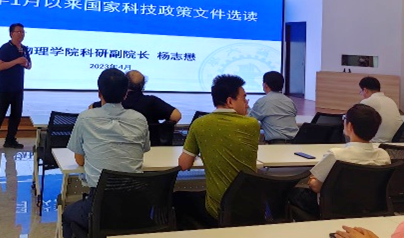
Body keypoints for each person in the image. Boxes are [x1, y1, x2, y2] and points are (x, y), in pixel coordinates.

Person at [62, 68, 150, 238]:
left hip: (100, 207)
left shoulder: (85, 118)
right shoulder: (139, 119)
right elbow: (143, 150)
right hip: (137, 207)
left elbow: (79, 161)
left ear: (99, 93)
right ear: (125, 94)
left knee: (68, 214)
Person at [175, 74, 260, 228]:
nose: (247, 103)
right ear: (230, 101)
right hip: (251, 207)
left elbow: (184, 165)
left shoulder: (199, 124)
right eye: (244, 98)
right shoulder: (252, 124)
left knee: (179, 198)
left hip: (217, 210)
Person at [289, 104, 390, 217]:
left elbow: (316, 187)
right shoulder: (383, 155)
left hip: (330, 209)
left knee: (292, 192)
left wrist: (312, 179)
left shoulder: (336, 155)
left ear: (350, 126)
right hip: (366, 209)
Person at [0, 23, 32, 153]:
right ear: (11, 34)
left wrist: (26, 64)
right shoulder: (5, 48)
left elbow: (29, 65)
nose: (21, 34)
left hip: (18, 87)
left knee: (16, 115)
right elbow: (0, 66)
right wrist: (17, 61)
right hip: (5, 87)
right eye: (18, 32)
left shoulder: (24, 49)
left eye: (23, 32)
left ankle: (10, 139)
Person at [88, 70, 182, 123]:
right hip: (153, 147)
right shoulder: (152, 102)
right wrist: (162, 129)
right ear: (143, 85)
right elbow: (176, 116)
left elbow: (90, 113)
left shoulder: (105, 104)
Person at [249, 71, 298, 143]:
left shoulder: (262, 101)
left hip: (276, 144)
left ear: (265, 85)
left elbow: (249, 120)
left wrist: (245, 107)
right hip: (296, 142)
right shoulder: (289, 101)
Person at [359, 76, 402, 142]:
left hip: (378, 142)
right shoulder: (390, 100)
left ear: (365, 90)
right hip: (394, 142)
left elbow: (354, 118)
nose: (362, 94)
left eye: (361, 91)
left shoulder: (369, 101)